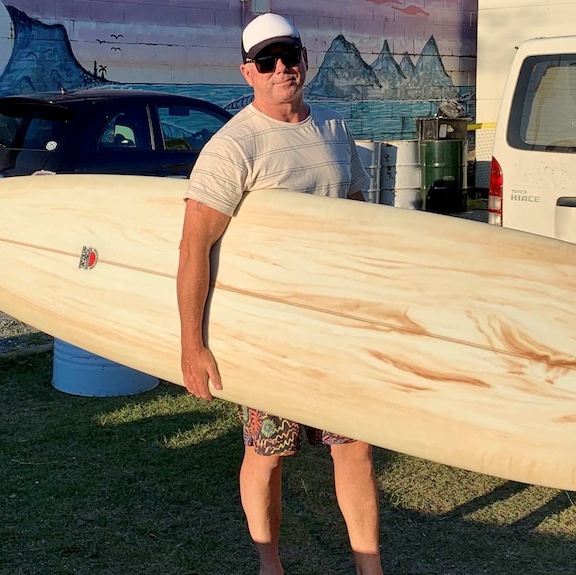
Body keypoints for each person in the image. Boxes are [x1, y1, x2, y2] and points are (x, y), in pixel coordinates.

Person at [176, 12, 384, 575]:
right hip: (269, 332)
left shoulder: (337, 132)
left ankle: (370, 567)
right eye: (266, 60)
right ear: (248, 72)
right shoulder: (234, 146)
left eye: (289, 55)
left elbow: (361, 221)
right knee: (267, 453)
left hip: (334, 324)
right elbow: (194, 247)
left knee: (355, 448)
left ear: (304, 59)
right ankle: (270, 563)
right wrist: (191, 347)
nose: (281, 68)